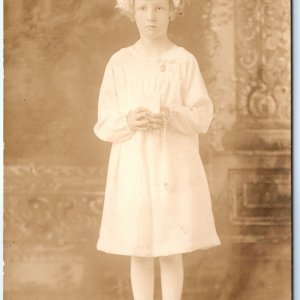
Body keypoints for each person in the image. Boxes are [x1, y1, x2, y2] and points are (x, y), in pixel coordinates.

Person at [94, 0, 221, 299]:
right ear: (132, 12)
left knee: (170, 246)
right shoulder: (120, 62)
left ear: (172, 12)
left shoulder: (183, 61)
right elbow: (103, 123)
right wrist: (128, 120)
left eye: (159, 9)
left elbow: (202, 115)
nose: (151, 17)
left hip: (172, 165)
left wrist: (171, 115)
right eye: (143, 9)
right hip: (134, 165)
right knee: (138, 247)